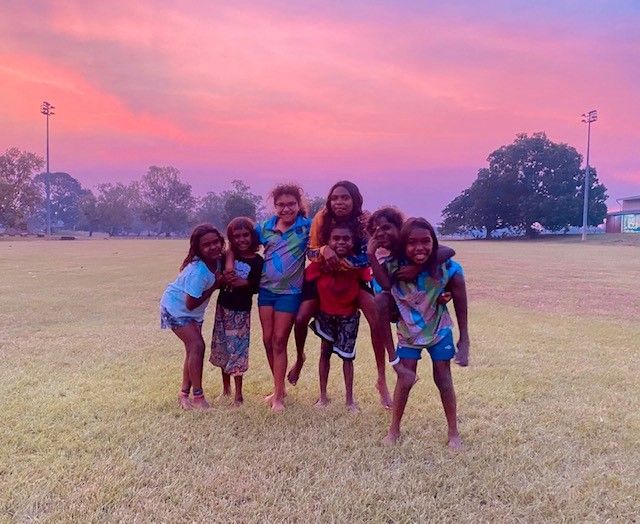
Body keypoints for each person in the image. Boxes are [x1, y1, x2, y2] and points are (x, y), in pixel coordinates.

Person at [289, 181, 394, 408]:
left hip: (354, 276)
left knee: (377, 320)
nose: (339, 202)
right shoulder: (322, 218)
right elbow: (311, 251)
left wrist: (341, 262)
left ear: (355, 199)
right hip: (322, 275)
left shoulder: (364, 220)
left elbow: (368, 255)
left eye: (345, 197)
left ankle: (382, 380)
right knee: (300, 318)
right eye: (335, 197)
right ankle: (299, 358)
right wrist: (325, 250)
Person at [368, 217, 470, 449]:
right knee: (404, 380)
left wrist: (464, 340)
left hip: (439, 329)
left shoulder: (448, 268)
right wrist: (371, 255)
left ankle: (453, 432)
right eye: (412, 243)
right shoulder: (393, 267)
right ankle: (393, 431)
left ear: (434, 242)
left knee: (443, 379)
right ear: (403, 245)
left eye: (426, 241)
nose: (419, 247)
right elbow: (383, 290)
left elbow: (460, 299)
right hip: (408, 332)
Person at [255, 184, 311, 412]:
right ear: (274, 206)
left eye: (291, 204)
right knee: (267, 340)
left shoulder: (307, 227)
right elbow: (244, 246)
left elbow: (319, 246)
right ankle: (279, 387)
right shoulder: (264, 227)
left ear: (299, 205)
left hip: (291, 292)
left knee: (279, 340)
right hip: (266, 290)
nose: (286, 209)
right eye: (281, 205)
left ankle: (278, 397)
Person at [160, 224, 225, 410]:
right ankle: (198, 398)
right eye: (206, 245)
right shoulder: (198, 271)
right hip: (176, 308)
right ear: (198, 248)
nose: (213, 247)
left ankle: (183, 394)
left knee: (192, 350)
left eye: (216, 242)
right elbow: (190, 303)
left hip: (193, 312)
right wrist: (216, 285)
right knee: (197, 346)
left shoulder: (219, 260)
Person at [307, 224, 370, 413]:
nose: (341, 242)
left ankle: (350, 400)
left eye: (346, 238)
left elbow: (367, 277)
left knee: (347, 358)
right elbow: (308, 276)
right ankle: (323, 396)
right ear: (328, 241)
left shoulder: (357, 264)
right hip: (325, 315)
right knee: (324, 353)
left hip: (348, 317)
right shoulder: (321, 263)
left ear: (353, 242)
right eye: (336, 238)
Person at [210, 217, 264, 407]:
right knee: (223, 347)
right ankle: (226, 390)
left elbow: (258, 286)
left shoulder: (258, 261)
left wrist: (245, 283)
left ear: (253, 236)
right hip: (223, 308)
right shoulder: (227, 256)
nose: (241, 239)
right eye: (236, 236)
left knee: (237, 351)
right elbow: (218, 275)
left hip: (241, 313)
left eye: (245, 235)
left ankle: (238, 396)